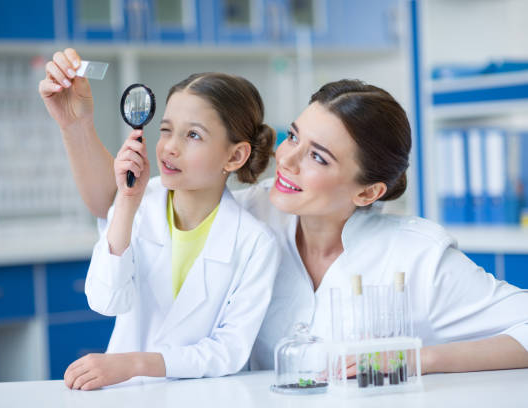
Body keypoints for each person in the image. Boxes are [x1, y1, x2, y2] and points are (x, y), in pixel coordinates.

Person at [41, 49, 528, 377]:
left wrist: (418, 358)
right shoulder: (253, 210)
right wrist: (76, 124)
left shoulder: (418, 257)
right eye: (294, 135)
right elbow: (119, 200)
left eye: (318, 156)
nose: (287, 159)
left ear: (368, 191)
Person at [40, 50, 280, 390]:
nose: (169, 147)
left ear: (235, 155)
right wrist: (125, 203)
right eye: (166, 130)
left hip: (202, 396)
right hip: (126, 395)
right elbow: (106, 301)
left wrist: (136, 363)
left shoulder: (255, 243)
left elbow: (229, 351)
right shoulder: (139, 206)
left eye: (193, 135)